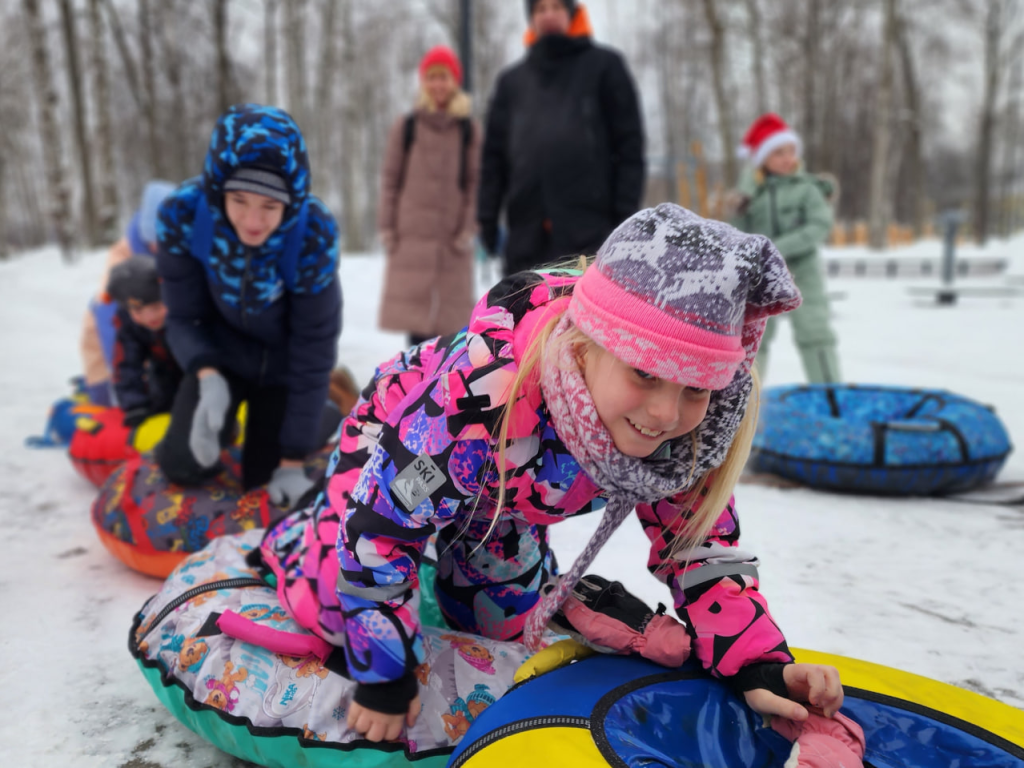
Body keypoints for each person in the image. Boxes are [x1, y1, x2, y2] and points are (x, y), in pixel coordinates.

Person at [259, 204, 847, 744]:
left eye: (695, 387)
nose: (667, 413)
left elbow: (699, 545)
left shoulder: (690, 429)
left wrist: (760, 663)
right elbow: (381, 528)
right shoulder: (478, 397)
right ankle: (293, 540)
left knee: (501, 623)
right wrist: (383, 674)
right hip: (400, 437)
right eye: (644, 374)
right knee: (335, 608)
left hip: (509, 502)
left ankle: (548, 585)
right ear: (587, 348)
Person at [155, 104, 342, 508]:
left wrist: (292, 459)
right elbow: (182, 315)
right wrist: (206, 375)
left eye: (270, 206)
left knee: (262, 482)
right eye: (239, 200)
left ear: (289, 204)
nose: (253, 220)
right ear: (218, 189)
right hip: (220, 357)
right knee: (183, 464)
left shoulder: (312, 236)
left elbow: (314, 347)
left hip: (283, 367)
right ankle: (222, 399)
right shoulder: (184, 216)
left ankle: (324, 415)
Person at [477, 0, 645, 275]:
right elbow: (493, 160)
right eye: (540, 9)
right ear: (531, 18)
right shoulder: (511, 82)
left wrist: (622, 220)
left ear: (571, 13)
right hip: (525, 240)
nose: (549, 15)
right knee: (525, 317)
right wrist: (487, 220)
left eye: (556, 6)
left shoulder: (605, 67)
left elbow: (629, 148)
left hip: (591, 237)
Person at [378, 45, 481, 348]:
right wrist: (387, 226)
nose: (438, 85)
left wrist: (468, 227)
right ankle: (412, 389)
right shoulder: (407, 126)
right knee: (417, 330)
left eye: (444, 78)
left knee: (450, 334)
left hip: (452, 243)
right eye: (433, 77)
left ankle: (443, 392)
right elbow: (390, 178)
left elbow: (476, 182)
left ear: (454, 82)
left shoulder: (468, 130)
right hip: (412, 240)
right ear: (424, 82)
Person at [731, 113, 840, 383]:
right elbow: (736, 234)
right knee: (752, 337)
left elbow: (819, 225)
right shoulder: (752, 193)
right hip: (762, 276)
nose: (788, 158)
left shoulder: (807, 189)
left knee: (815, 333)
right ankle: (744, 401)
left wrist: (775, 248)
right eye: (779, 152)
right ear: (762, 158)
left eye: (791, 150)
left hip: (802, 272)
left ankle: (829, 396)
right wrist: (738, 205)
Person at [80, 180, 176, 405]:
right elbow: (108, 312)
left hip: (162, 327)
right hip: (120, 327)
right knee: (100, 335)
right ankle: (103, 397)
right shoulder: (124, 258)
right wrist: (125, 381)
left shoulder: (184, 247)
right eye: (155, 242)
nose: (159, 248)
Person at [106, 256, 181, 427]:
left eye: (156, 307)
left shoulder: (183, 313)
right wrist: (135, 405)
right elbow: (126, 366)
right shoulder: (129, 325)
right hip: (164, 372)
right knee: (158, 385)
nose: (150, 317)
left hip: (195, 372)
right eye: (138, 310)